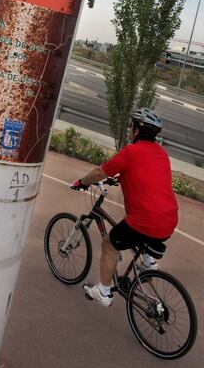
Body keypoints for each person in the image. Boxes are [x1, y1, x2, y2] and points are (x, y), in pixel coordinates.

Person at [71, 108, 178, 307]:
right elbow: (148, 176)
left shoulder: (130, 152)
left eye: (132, 126)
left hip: (145, 220)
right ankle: (148, 262)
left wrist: (82, 182)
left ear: (136, 131)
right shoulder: (162, 154)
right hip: (169, 220)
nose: (130, 129)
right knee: (142, 229)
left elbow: (99, 172)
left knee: (109, 244)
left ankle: (103, 292)